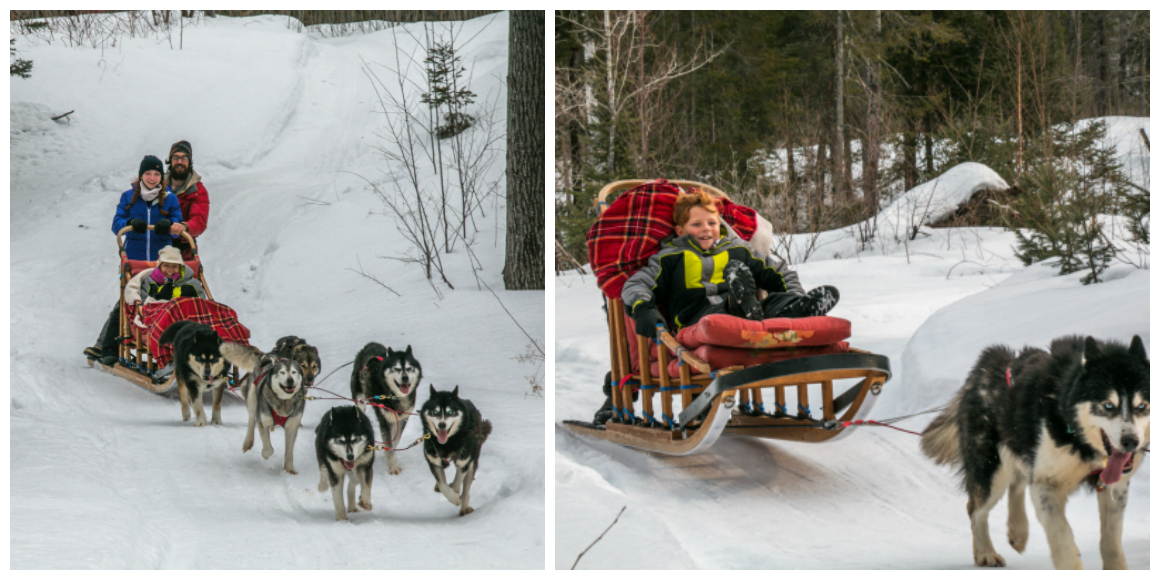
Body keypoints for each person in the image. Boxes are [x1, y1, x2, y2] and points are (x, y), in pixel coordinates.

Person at [593, 189, 840, 424]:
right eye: (696, 224)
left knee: (771, 301)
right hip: (698, 317)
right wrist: (644, 308)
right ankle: (740, 305)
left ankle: (796, 309)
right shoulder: (668, 258)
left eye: (711, 223)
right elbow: (637, 285)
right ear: (680, 230)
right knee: (722, 311)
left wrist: (794, 293)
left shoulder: (738, 251)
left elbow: (779, 272)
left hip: (751, 311)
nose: (706, 229)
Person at [84, 155, 185, 365]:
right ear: (141, 175)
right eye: (148, 173)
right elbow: (117, 224)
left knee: (162, 302)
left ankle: (166, 347)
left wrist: (170, 224)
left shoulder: (170, 198)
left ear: (161, 177)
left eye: (156, 174)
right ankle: (107, 346)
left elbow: (177, 225)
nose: (152, 177)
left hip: (161, 263)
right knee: (129, 302)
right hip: (135, 261)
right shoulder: (129, 197)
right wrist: (130, 222)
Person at [163, 140, 210, 260]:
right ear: (170, 161)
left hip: (183, 251)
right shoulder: (157, 185)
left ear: (189, 162)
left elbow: (199, 220)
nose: (180, 162)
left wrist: (184, 227)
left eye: (184, 158)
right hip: (155, 246)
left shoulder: (197, 190)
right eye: (176, 158)